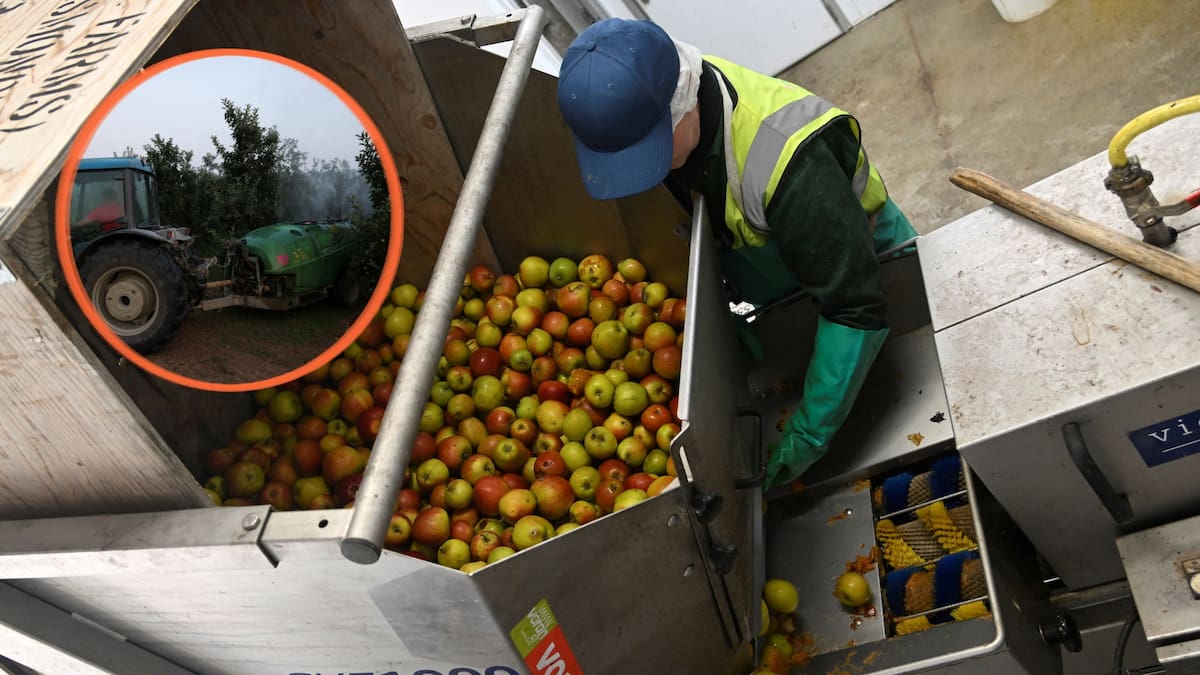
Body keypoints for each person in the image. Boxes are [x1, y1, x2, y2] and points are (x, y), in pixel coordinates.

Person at [556, 19, 918, 487]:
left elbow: (854, 305)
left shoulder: (786, 157)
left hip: (873, 268)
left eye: (651, 151)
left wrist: (807, 436)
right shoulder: (677, 118)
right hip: (788, 284)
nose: (649, 171)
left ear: (681, 104)